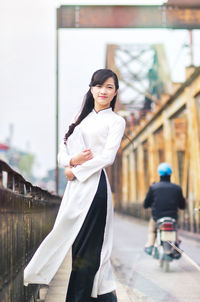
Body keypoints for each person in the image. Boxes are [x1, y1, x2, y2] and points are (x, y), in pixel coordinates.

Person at [24, 69, 126, 302]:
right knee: (75, 245)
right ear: (91, 89)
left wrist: (75, 171)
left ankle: (78, 298)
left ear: (115, 93)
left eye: (109, 87)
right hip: (76, 189)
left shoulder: (116, 121)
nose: (103, 91)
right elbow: (62, 152)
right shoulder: (79, 119)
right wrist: (71, 162)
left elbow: (107, 158)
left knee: (90, 250)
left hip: (95, 189)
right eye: (99, 86)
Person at [143, 162, 186, 256]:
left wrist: (148, 205)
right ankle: (176, 243)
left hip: (157, 217)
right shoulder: (177, 188)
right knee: (175, 228)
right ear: (170, 174)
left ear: (159, 174)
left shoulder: (153, 187)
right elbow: (182, 205)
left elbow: (145, 204)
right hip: (172, 217)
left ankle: (150, 244)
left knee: (152, 230)